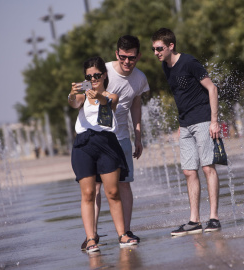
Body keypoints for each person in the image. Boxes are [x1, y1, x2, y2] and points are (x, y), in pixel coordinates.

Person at [151, 28, 222, 236]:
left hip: (203, 121)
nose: (156, 52)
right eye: (153, 49)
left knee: (208, 168)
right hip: (185, 125)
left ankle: (214, 218)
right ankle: (194, 220)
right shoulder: (166, 67)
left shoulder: (189, 62)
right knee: (189, 171)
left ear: (171, 46)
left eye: (159, 48)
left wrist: (214, 121)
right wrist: (180, 126)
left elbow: (212, 88)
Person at [83, 35, 150, 250]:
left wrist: (138, 136)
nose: (127, 62)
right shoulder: (104, 71)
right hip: (98, 137)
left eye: (131, 58)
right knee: (95, 187)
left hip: (121, 137)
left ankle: (126, 231)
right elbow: (85, 93)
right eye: (123, 57)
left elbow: (136, 106)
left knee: (124, 185)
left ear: (138, 56)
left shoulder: (140, 78)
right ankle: (91, 236)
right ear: (116, 54)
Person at [68, 56, 138, 253]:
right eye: (89, 76)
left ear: (104, 75)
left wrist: (97, 95)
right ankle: (91, 238)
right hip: (84, 145)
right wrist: (72, 95)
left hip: (107, 143)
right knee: (88, 193)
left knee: (113, 192)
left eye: (97, 75)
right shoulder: (83, 97)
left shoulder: (111, 95)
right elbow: (74, 103)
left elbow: (107, 103)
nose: (93, 79)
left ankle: (123, 234)